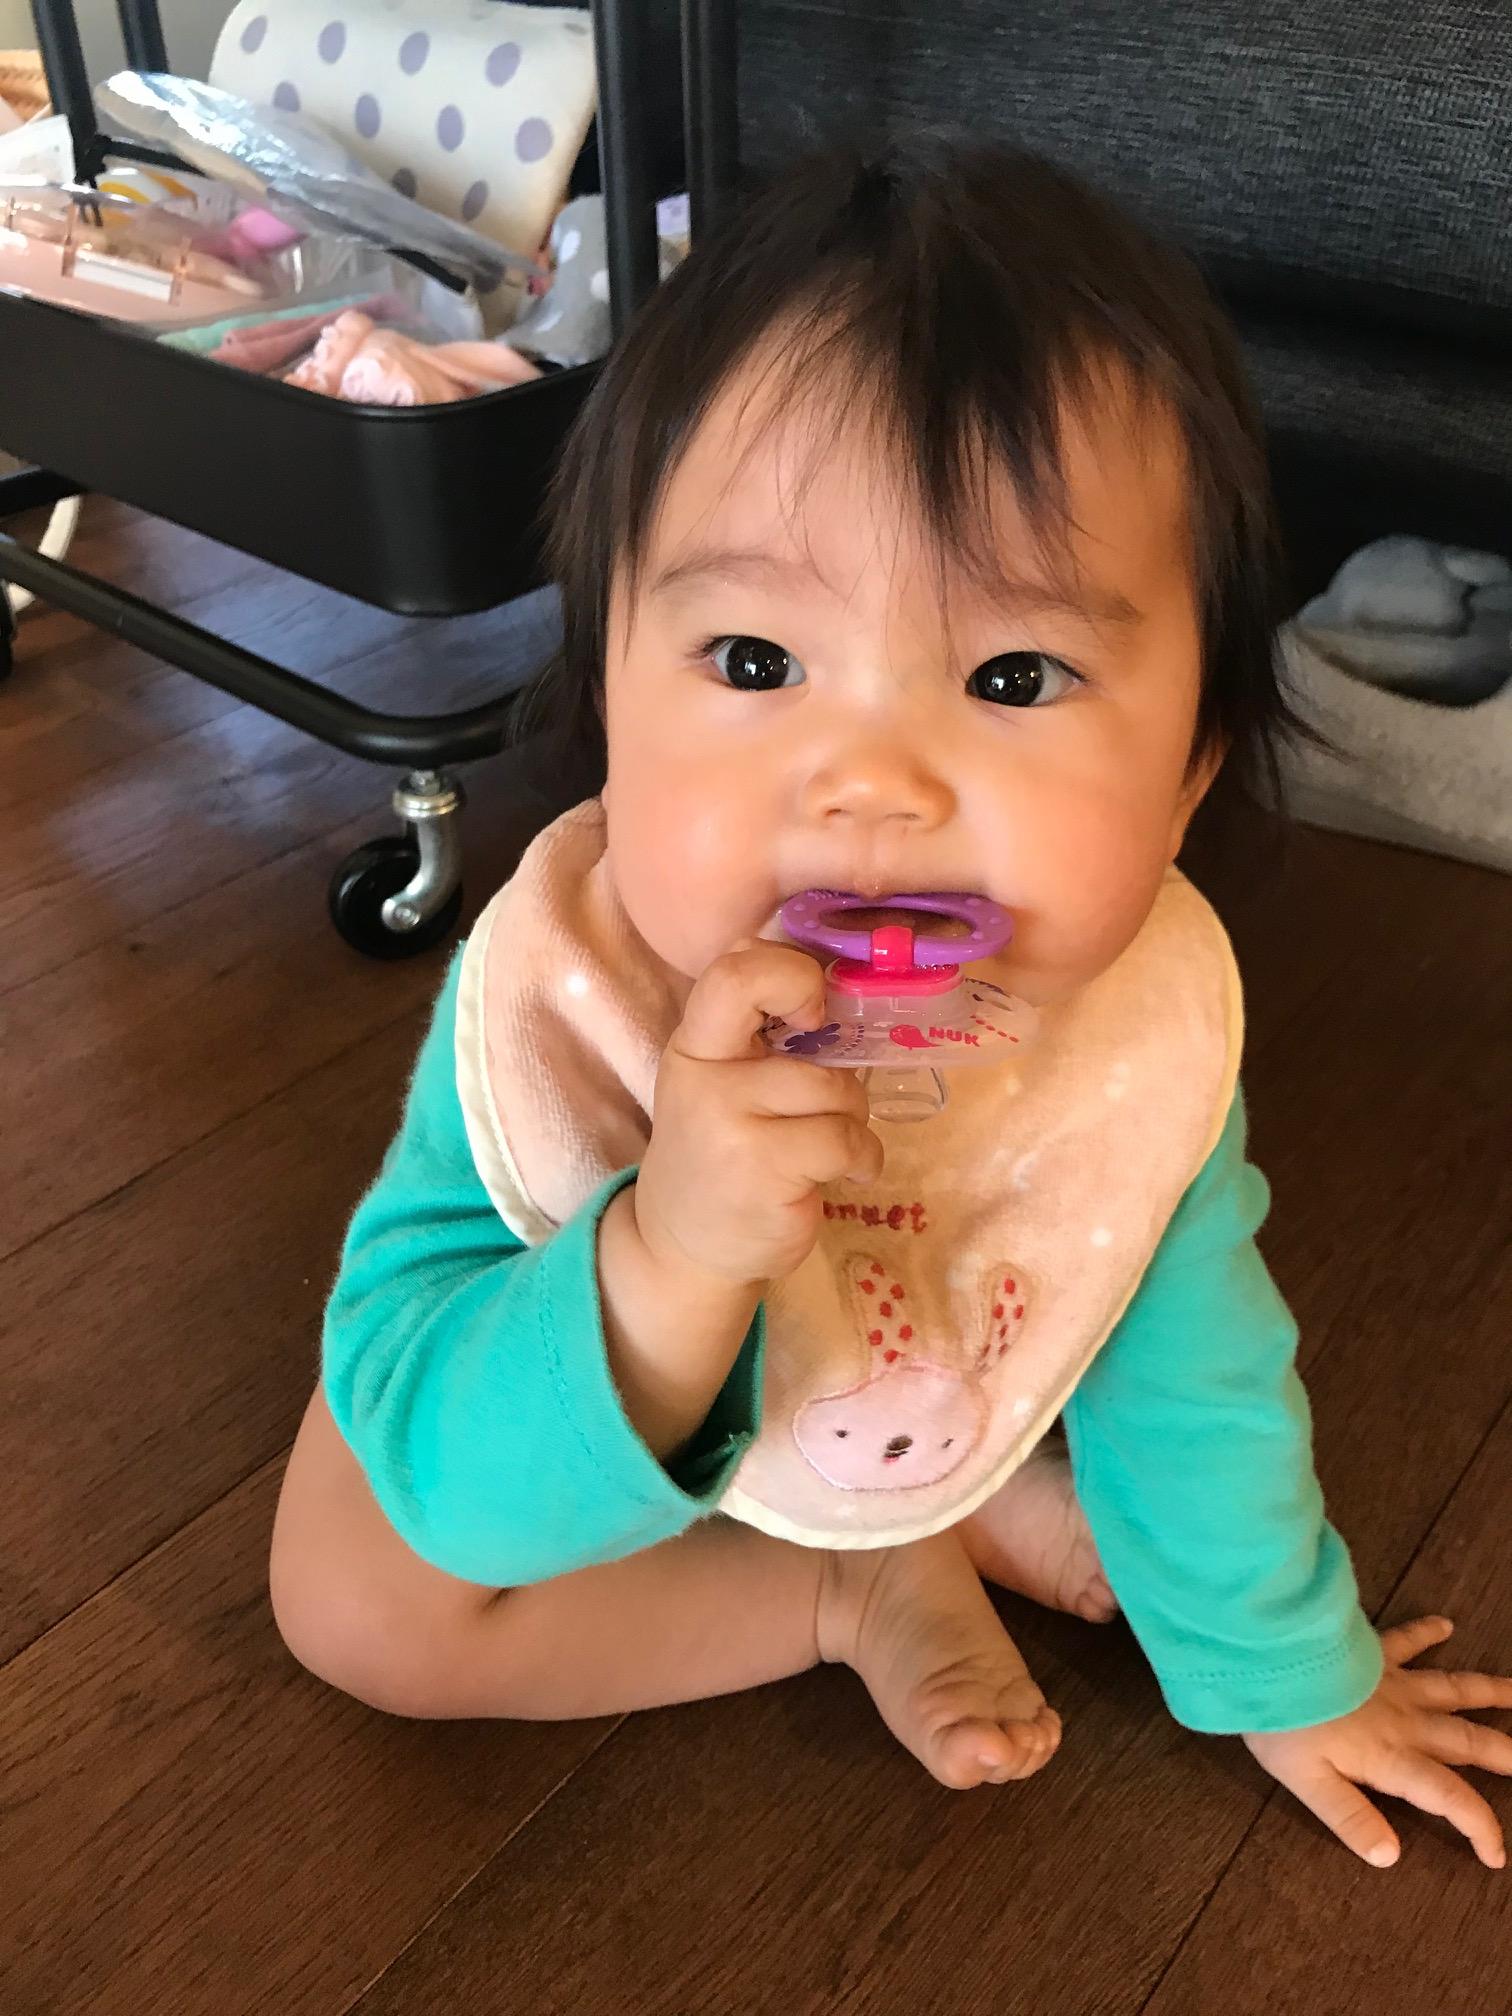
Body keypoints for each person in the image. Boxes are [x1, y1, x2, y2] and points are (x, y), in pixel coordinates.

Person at [269, 140, 1512, 1868]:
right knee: (355, 1603)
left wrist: (1287, 1670)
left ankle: (923, 1513)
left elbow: (1196, 1374)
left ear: (1186, 776)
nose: (874, 784)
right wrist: (668, 1261)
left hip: (908, 1370)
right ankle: (846, 1585)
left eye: (1014, 673)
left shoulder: (1128, 1041)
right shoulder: (570, 999)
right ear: (611, 706)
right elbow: (458, 1500)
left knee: (1115, 1364)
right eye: (755, 663)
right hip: (537, 1406)